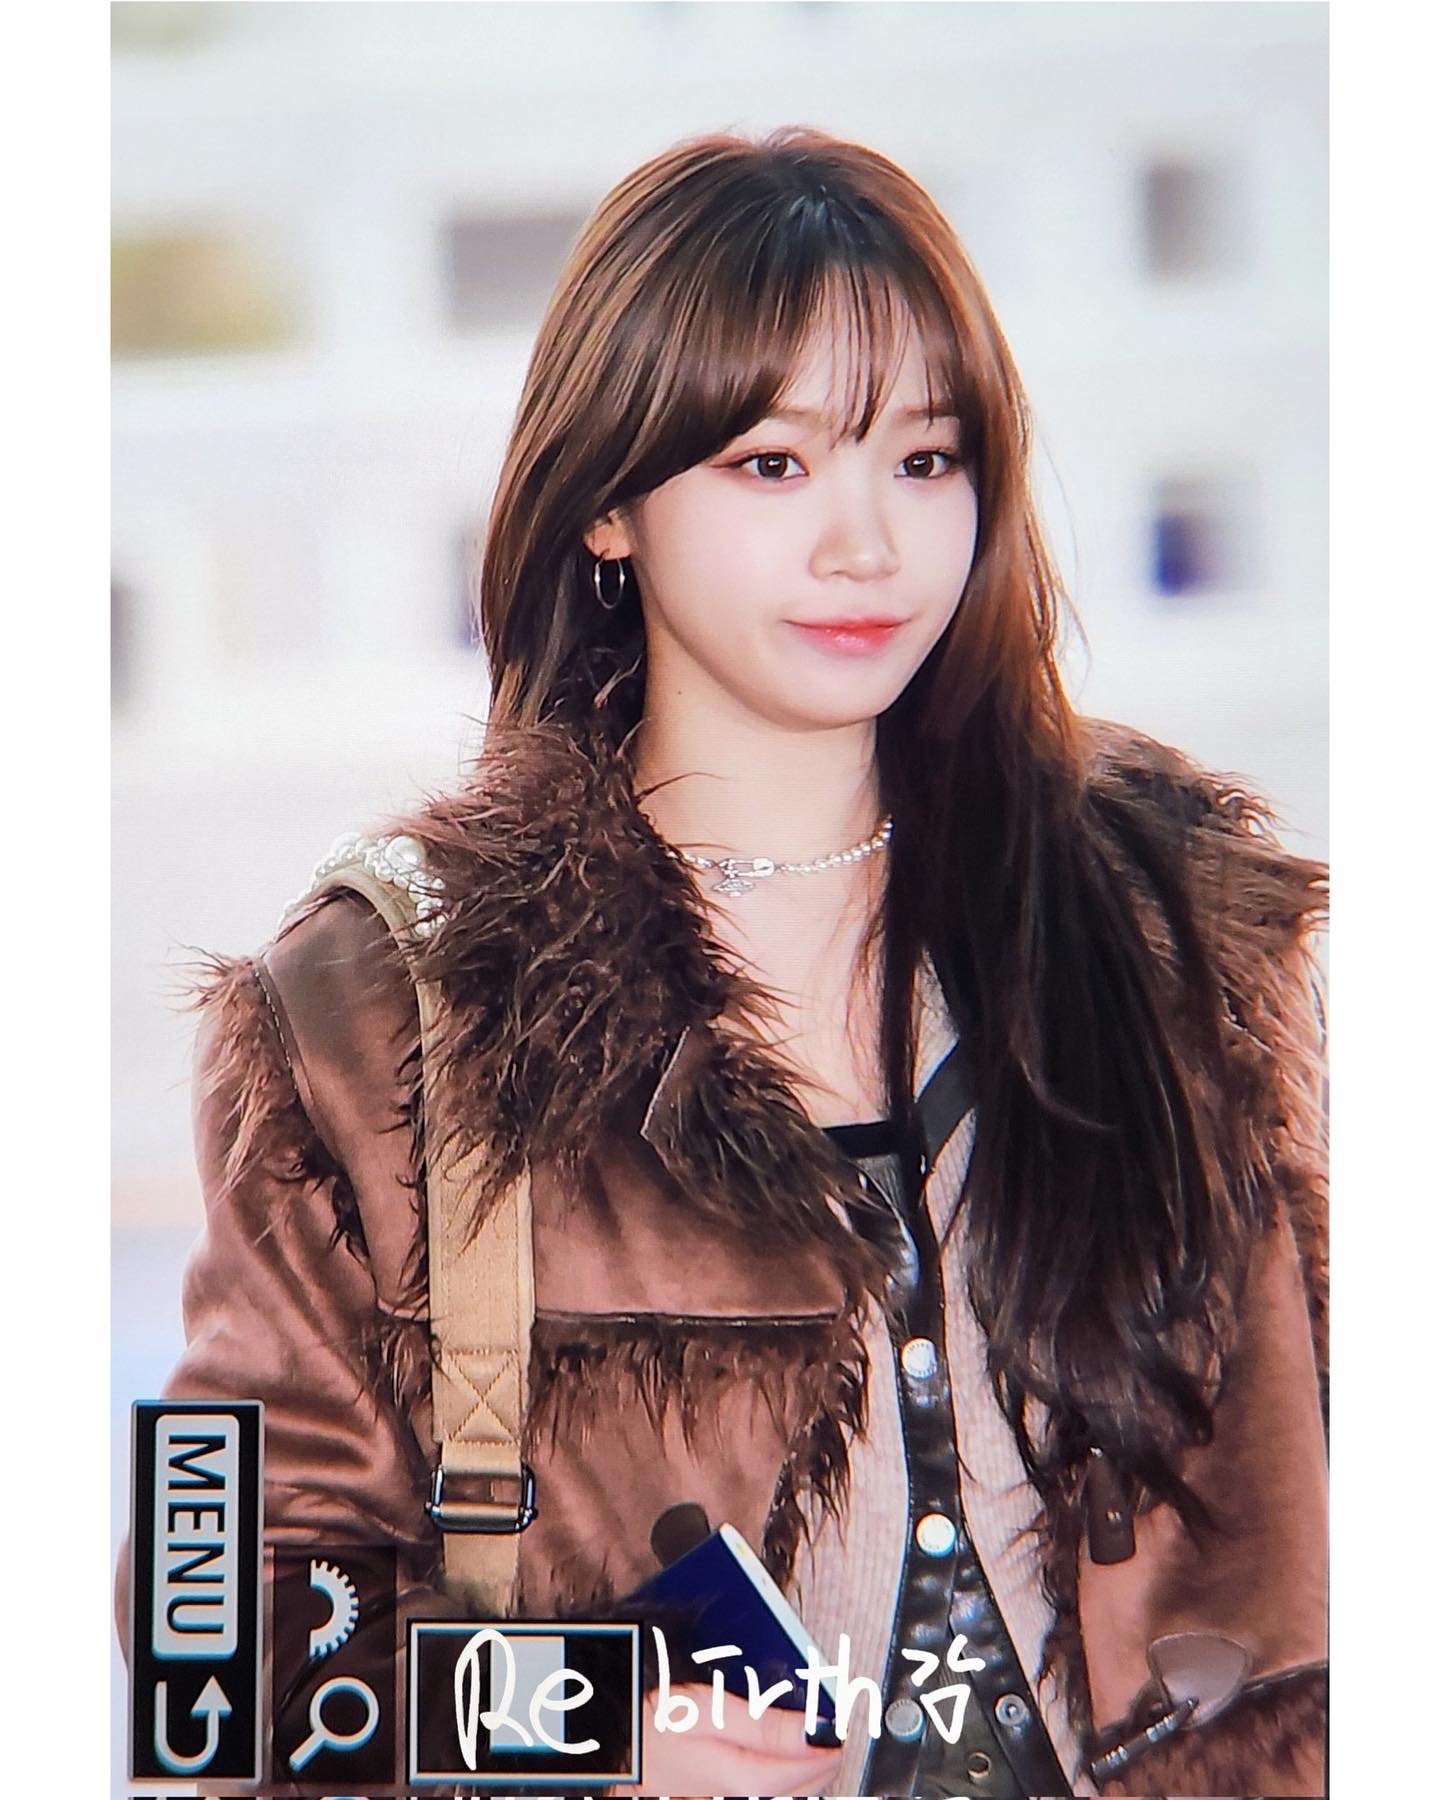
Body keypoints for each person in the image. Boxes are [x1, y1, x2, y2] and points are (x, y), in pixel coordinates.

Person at [119, 127, 1328, 1798]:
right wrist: (591, 1724)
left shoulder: (1171, 930)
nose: (867, 545)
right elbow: (209, 1660)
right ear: (611, 503)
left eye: (925, 459)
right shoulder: (377, 1017)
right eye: (773, 465)